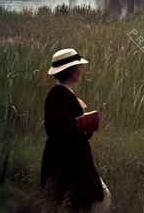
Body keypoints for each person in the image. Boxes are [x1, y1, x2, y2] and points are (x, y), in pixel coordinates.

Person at [41, 48, 111, 213]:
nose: (81, 70)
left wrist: (85, 125)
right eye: (78, 67)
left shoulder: (62, 93)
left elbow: (64, 125)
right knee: (98, 198)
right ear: (71, 71)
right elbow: (59, 129)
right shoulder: (59, 95)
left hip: (68, 155)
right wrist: (84, 125)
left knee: (79, 202)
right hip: (69, 158)